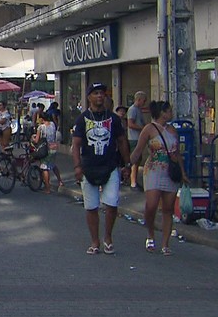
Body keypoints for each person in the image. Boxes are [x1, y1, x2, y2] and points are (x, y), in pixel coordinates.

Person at [71, 83, 130, 255]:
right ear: (89, 97)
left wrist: (127, 164)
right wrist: (77, 166)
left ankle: (108, 238)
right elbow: (76, 145)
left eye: (102, 93)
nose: (100, 96)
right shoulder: (82, 120)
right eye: (96, 93)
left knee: (111, 203)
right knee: (91, 207)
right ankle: (95, 241)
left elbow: (121, 141)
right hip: (88, 168)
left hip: (110, 166)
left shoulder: (114, 119)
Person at [129, 101, 186, 255]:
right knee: (152, 205)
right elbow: (139, 149)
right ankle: (150, 235)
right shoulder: (149, 129)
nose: (171, 113)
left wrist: (183, 172)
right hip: (153, 169)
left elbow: (177, 154)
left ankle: (165, 243)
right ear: (162, 113)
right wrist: (128, 164)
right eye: (169, 110)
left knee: (168, 208)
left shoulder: (173, 130)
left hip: (170, 171)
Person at [33, 112, 63, 194]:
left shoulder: (41, 127)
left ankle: (47, 188)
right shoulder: (53, 124)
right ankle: (60, 181)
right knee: (53, 165)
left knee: (45, 168)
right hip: (54, 147)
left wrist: (33, 138)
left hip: (46, 149)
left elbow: (37, 140)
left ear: (42, 119)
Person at [126, 92, 148, 190]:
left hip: (138, 138)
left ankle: (134, 181)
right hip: (134, 138)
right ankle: (133, 182)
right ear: (139, 99)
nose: (144, 103)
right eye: (144, 100)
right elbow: (130, 124)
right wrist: (142, 128)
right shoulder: (132, 110)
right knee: (134, 160)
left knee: (138, 160)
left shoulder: (138, 110)